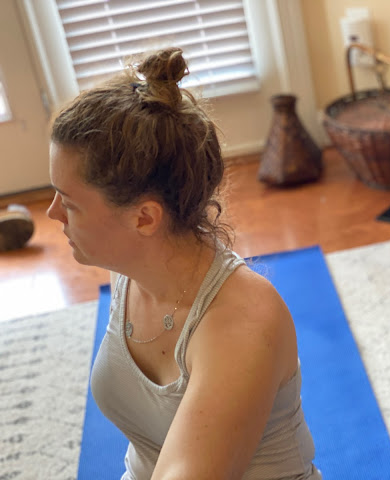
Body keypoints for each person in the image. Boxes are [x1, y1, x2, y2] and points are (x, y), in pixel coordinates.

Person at [47, 47, 321, 480]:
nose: (52, 214)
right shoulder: (129, 271)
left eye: (71, 203)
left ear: (145, 218)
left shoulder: (242, 322)